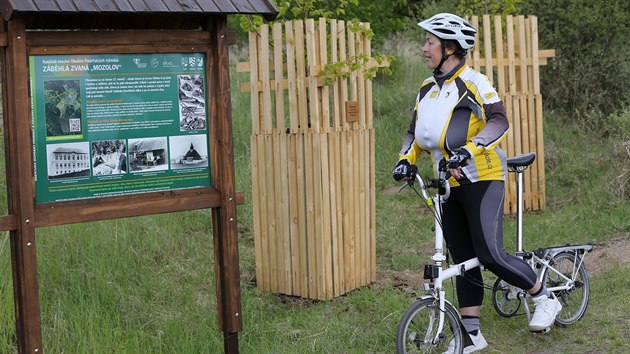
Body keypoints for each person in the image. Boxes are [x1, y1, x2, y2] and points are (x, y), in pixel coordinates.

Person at [392, 13, 562, 353]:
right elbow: (415, 134)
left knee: (489, 253)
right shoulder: (427, 89)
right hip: (446, 184)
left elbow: (499, 121)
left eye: (430, 42)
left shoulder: (474, 82)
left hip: (481, 177)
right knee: (462, 259)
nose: (424, 48)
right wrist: (405, 161)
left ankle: (544, 297)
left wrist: (469, 150)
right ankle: (471, 334)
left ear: (450, 48)